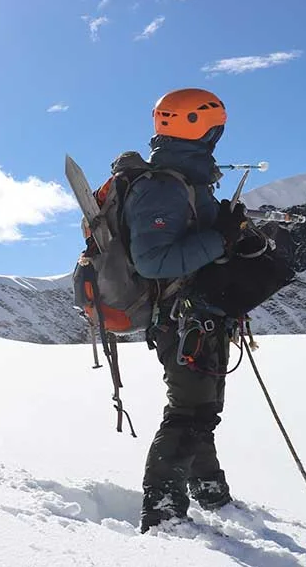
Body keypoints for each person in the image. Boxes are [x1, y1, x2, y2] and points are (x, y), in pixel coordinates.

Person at [123, 87, 249, 533]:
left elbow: (194, 238)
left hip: (201, 315)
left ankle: (210, 491)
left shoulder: (189, 183)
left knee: (203, 409)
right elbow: (152, 260)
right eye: (215, 128)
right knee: (187, 413)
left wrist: (229, 229)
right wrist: (221, 240)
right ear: (198, 128)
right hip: (181, 319)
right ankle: (163, 516)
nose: (218, 136)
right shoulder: (162, 189)